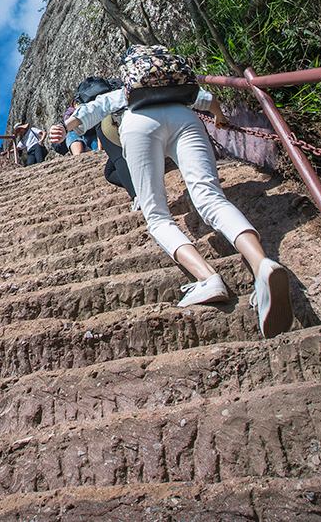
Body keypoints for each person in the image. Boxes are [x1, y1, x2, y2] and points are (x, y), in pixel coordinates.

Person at [51, 64, 293, 338]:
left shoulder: (125, 91)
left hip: (139, 122)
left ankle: (207, 278)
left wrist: (63, 127)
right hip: (184, 117)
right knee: (211, 197)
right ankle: (261, 263)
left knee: (157, 215)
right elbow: (209, 100)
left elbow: (94, 109)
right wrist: (220, 118)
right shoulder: (170, 85)